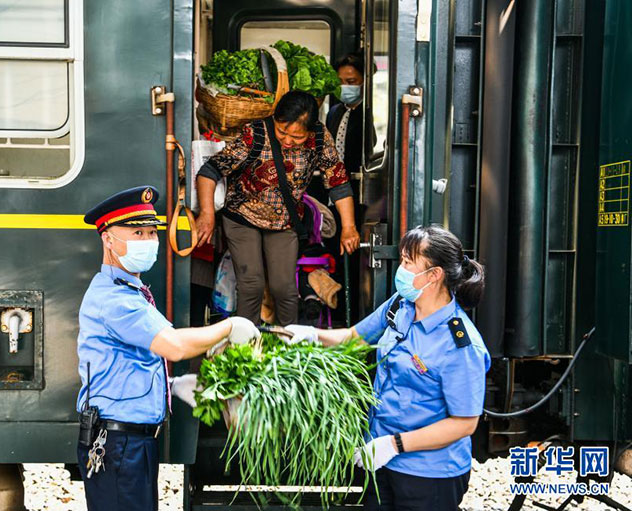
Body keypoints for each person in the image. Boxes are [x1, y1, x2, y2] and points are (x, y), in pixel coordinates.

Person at [76, 185, 260, 511]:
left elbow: (132, 361)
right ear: (108, 238)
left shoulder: (129, 291)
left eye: (151, 233)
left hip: (131, 442)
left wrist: (172, 386)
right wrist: (230, 327)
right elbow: (173, 347)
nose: (148, 241)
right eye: (137, 233)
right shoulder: (115, 299)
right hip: (119, 444)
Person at [285, 225, 491, 511]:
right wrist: (312, 335)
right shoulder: (401, 305)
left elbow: (464, 423)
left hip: (428, 475)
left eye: (408, 262)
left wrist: (394, 445)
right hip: (380, 460)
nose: (401, 268)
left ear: (434, 275)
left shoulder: (460, 345)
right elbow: (354, 337)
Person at [195, 91, 361, 326]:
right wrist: (207, 214)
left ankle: (287, 347)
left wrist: (349, 227)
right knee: (251, 283)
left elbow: (338, 182)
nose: (287, 140)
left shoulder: (320, 138)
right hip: (242, 216)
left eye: (297, 136)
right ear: (275, 119)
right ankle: (247, 348)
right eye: (282, 131)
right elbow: (210, 171)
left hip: (284, 221)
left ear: (310, 130)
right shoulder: (255, 133)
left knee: (284, 288)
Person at [327, 52, 377, 177]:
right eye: (340, 82)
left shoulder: (370, 112)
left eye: (351, 82)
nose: (345, 87)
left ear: (365, 81)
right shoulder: (334, 112)